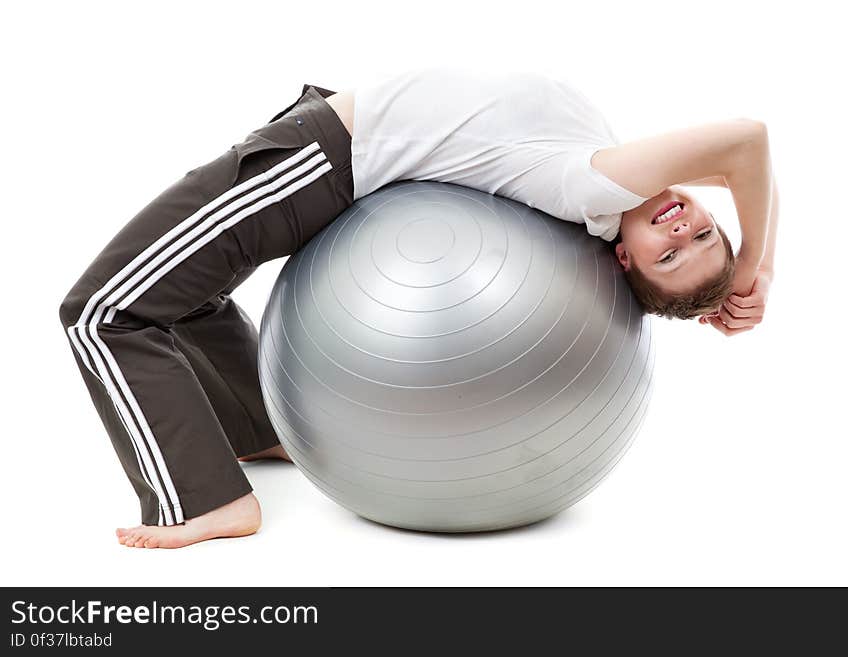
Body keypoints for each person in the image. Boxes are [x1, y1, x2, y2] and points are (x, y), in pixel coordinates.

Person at [59, 67, 778, 549]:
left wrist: (753, 266)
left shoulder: (590, 189)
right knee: (185, 287)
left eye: (672, 254)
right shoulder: (620, 177)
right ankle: (259, 428)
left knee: (101, 311)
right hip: (328, 143)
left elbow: (746, 141)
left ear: (624, 259)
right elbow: (731, 165)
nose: (685, 229)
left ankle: (201, 498)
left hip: (321, 157)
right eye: (706, 230)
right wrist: (737, 264)